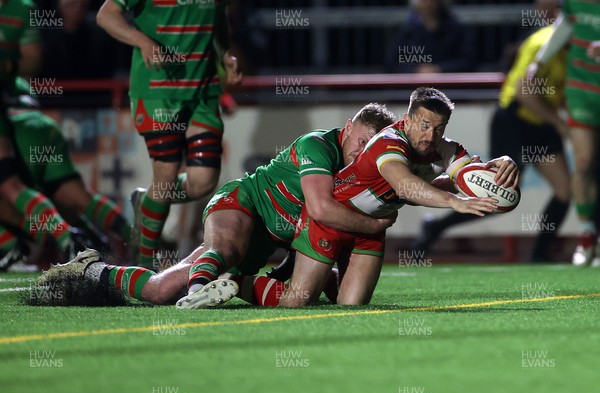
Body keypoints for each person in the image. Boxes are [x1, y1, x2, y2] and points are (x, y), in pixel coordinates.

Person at [37, 104, 398, 307]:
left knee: (160, 290)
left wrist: (284, 272)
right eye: (360, 140)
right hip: (243, 202)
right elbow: (318, 210)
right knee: (223, 249)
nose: (360, 150)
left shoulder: (357, 170)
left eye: (370, 147)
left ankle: (90, 268)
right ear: (348, 126)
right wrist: (376, 226)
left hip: (265, 240)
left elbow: (307, 230)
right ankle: (197, 297)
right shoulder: (318, 145)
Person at [227, 88, 519, 307]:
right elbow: (405, 187)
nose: (430, 135)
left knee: (352, 307)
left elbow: (467, 177)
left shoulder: (445, 149)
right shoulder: (387, 142)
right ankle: (238, 283)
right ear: (406, 121)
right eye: (424, 125)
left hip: (369, 231)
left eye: (439, 128)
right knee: (296, 303)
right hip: (332, 220)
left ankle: (325, 278)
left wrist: (503, 164)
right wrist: (455, 202)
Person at [97, 0, 242, 268]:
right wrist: (142, 41)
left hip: (202, 91)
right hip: (157, 92)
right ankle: (143, 261)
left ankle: (147, 200)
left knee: (204, 181)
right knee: (166, 174)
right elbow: (106, 14)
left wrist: (223, 54)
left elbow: (217, 16)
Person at [413, 23, 571, 263]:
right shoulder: (543, 44)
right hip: (515, 120)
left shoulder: (575, 49)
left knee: (565, 190)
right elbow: (523, 92)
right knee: (497, 196)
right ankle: (435, 226)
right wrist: (560, 124)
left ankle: (540, 254)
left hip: (543, 122)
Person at [0, 78, 131, 268]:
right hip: (43, 125)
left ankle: (22, 246)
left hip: (14, 131)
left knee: (12, 189)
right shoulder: (17, 79)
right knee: (78, 197)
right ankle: (135, 240)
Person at [528, 1, 600, 265]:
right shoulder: (574, 3)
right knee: (583, 162)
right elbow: (565, 26)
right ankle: (587, 234)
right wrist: (539, 61)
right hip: (581, 88)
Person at [388, 0, 476, 74]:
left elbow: (469, 61)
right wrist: (416, 70)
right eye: (423, 1)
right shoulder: (405, 31)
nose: (428, 4)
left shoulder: (457, 30)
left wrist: (439, 69)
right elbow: (392, 63)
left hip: (450, 87)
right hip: (412, 87)